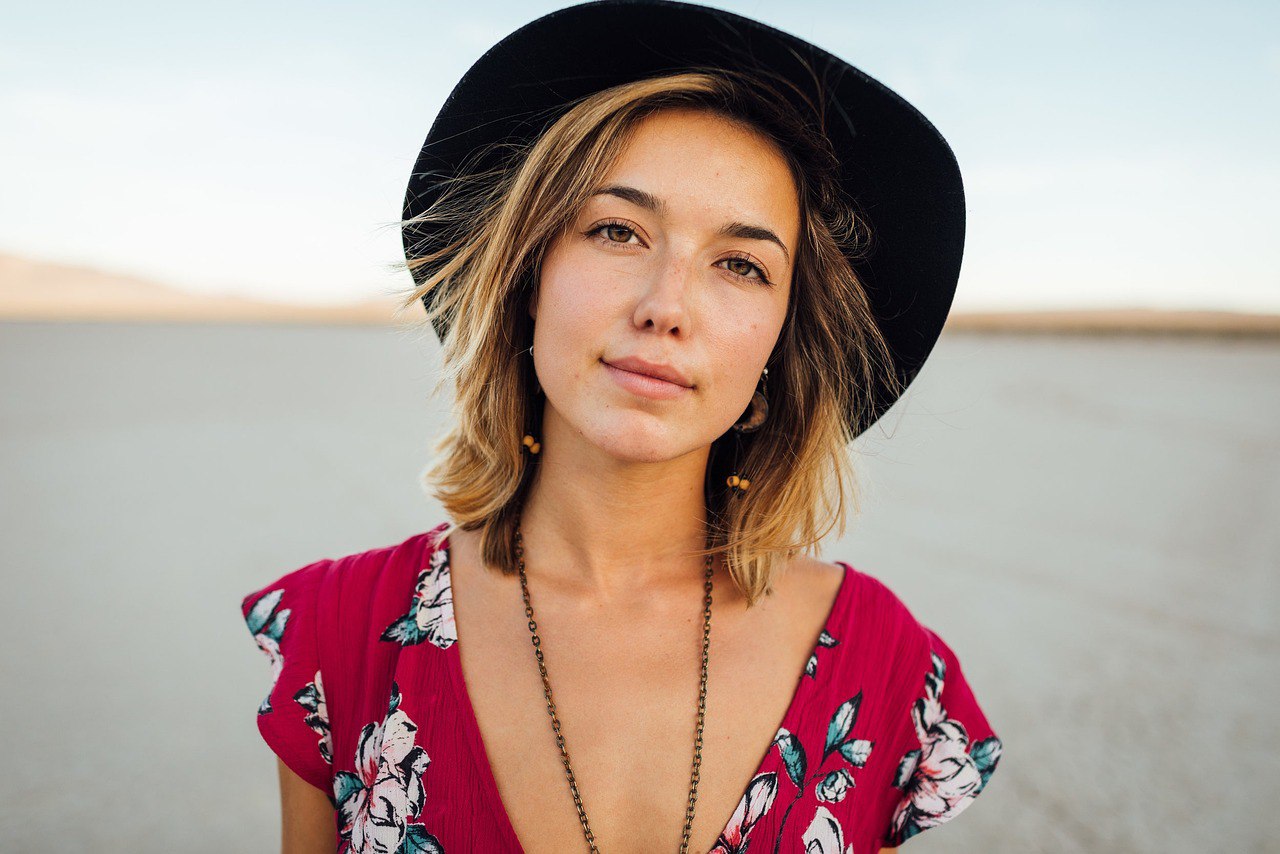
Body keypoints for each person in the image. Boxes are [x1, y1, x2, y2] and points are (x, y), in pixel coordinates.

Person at [239, 2, 1004, 852]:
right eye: (616, 230)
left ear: (781, 347)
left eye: (741, 265)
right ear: (528, 274)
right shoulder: (340, 635)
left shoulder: (884, 666)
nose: (665, 306)